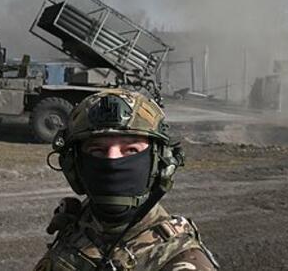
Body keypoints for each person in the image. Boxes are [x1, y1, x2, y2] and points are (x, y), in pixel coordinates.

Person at [34, 89, 218, 270]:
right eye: (97, 150)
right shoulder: (78, 220)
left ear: (161, 164)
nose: (112, 161)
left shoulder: (183, 262)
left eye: (131, 150)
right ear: (74, 165)